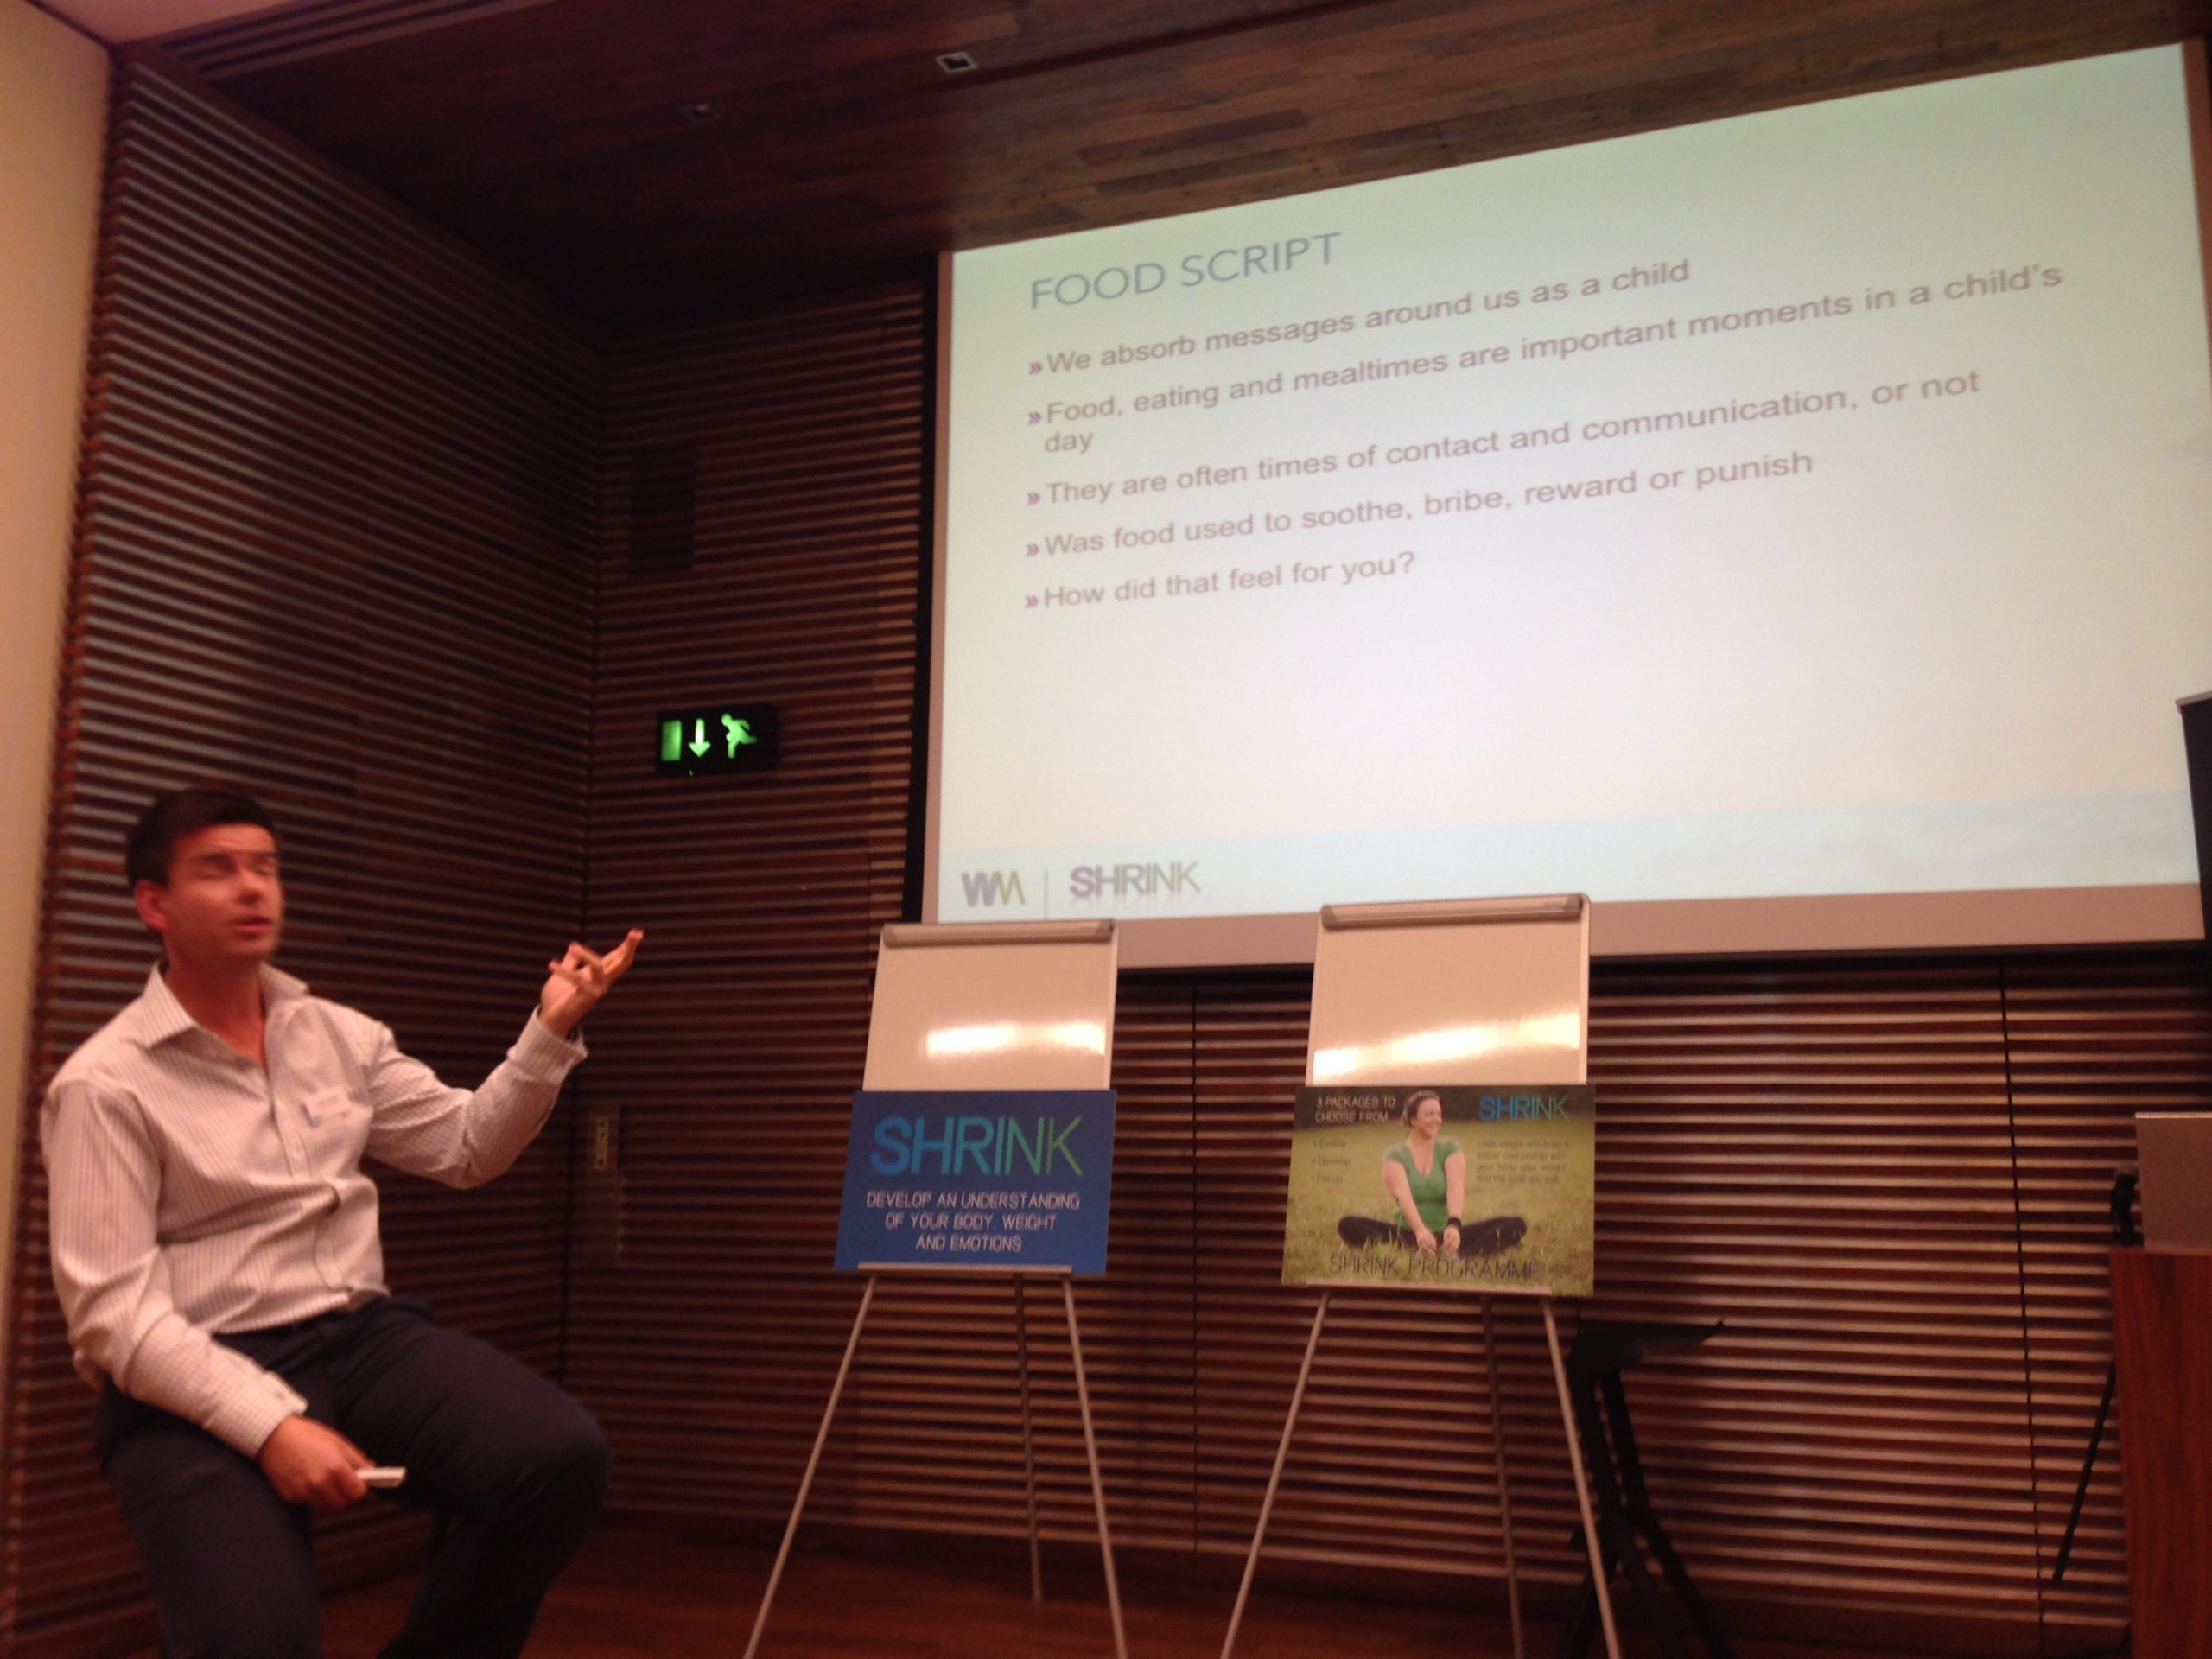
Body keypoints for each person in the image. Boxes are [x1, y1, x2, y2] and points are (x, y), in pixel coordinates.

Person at [41, 787, 643, 1659]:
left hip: (359, 1341)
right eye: (218, 869)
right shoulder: (106, 1084)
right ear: (154, 905)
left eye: (265, 866)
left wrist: (548, 1031)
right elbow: (114, 1317)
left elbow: (466, 1147)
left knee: (556, 1458)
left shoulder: (336, 1036)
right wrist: (270, 1426)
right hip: (191, 1367)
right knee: (260, 1640)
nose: (253, 887)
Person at [1336, 1090, 1527, 1260]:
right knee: (1348, 1224)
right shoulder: (1394, 1154)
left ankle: (1457, 1254)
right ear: (1412, 1119)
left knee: (1516, 1224)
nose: (1437, 1119)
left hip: (1447, 1233)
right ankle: (1417, 1248)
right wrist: (1420, 1231)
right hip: (1407, 1232)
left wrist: (1454, 1225)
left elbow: (1455, 1188)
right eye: (1429, 1114)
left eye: (1438, 1114)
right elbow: (1403, 1194)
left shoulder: (1450, 1147)